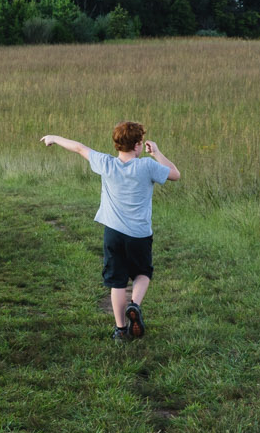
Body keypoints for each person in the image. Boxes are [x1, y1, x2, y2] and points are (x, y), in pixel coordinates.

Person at [39, 121, 180, 339]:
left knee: (117, 281)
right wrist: (158, 153)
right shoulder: (146, 166)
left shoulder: (105, 163)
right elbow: (175, 174)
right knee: (143, 273)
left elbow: (78, 147)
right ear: (137, 145)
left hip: (113, 233)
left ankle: (120, 329)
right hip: (140, 234)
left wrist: (53, 138)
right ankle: (135, 305)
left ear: (117, 144)